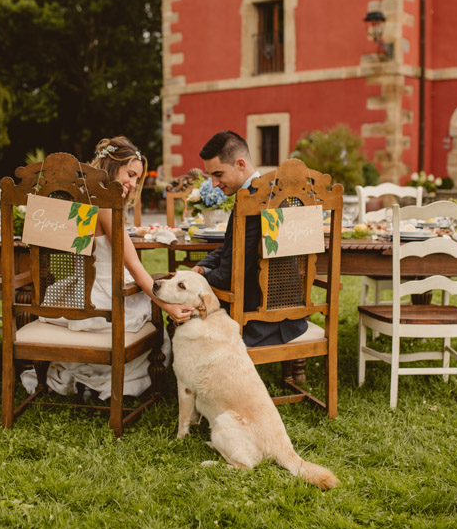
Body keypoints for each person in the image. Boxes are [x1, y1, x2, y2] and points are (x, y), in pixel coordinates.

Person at [22, 136, 194, 399]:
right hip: (105, 299)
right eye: (131, 174)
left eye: (137, 179)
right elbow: (135, 266)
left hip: (81, 295)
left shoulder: (80, 200)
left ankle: (88, 377)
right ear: (112, 166)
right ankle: (112, 380)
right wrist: (167, 306)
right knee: (151, 309)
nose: (134, 183)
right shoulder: (106, 207)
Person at [190, 131, 307, 346]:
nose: (214, 183)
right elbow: (233, 246)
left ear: (240, 164)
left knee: (182, 309)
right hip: (289, 313)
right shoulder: (270, 191)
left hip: (261, 320)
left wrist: (194, 280)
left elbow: (228, 276)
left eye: (218, 174)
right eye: (210, 177)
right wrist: (204, 267)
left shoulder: (255, 202)